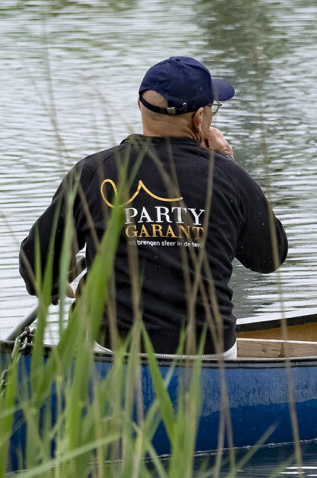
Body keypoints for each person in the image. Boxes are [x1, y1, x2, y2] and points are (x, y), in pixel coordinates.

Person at [20, 56, 287, 357]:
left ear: (139, 105)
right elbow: (270, 258)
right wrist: (225, 163)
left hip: (113, 349)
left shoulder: (95, 171)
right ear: (199, 118)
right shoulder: (228, 176)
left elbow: (35, 260)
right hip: (208, 354)